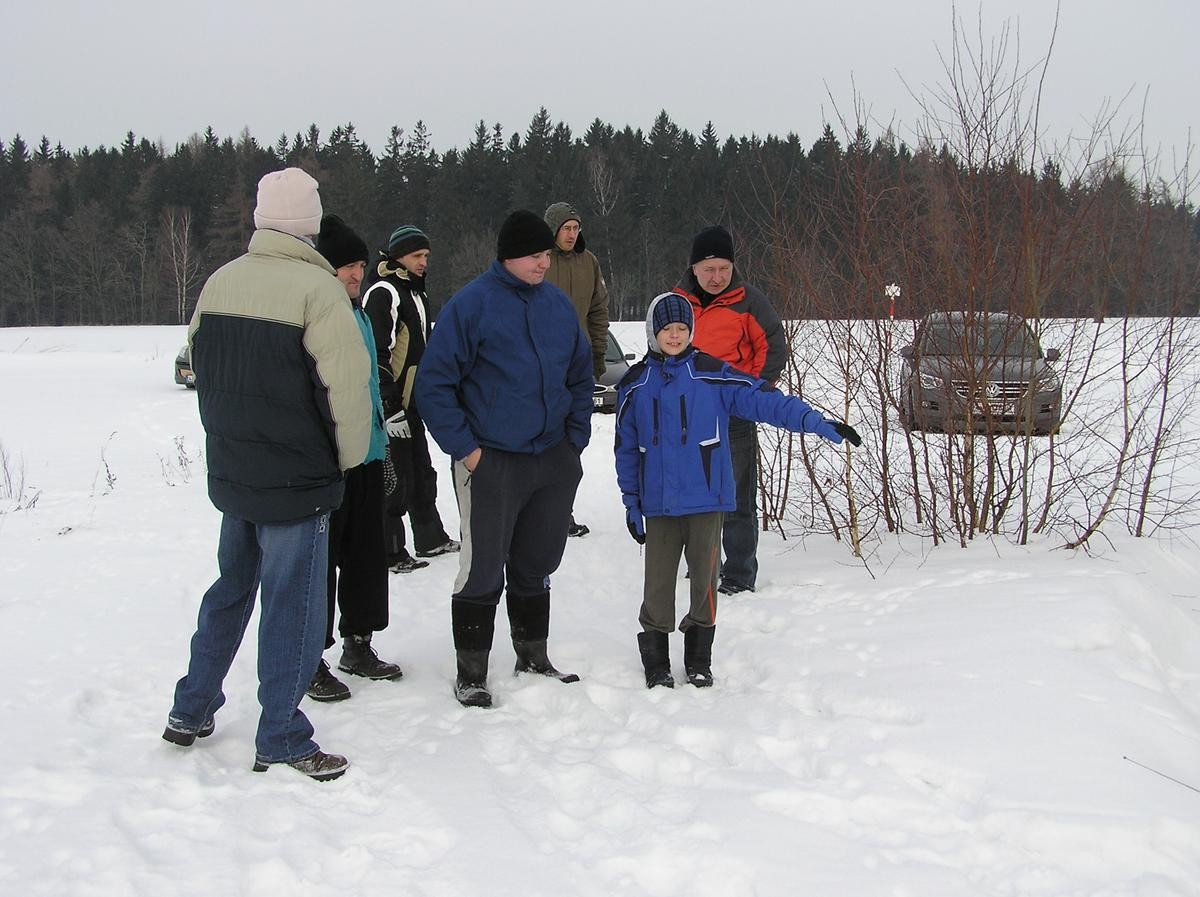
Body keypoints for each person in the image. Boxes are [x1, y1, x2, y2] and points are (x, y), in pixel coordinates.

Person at [162, 168, 372, 781]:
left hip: (237, 475)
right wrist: (346, 464)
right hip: (297, 483)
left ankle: (190, 708)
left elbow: (200, 366)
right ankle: (280, 734)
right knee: (294, 609)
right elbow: (348, 393)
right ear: (310, 224)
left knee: (230, 591)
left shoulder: (220, 281)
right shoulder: (319, 292)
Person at [615, 293, 861, 688]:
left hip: (707, 500)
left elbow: (766, 402)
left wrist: (817, 423)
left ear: (691, 330)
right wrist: (631, 501)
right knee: (657, 586)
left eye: (682, 328)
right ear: (652, 332)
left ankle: (699, 659)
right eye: (667, 329)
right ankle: (656, 662)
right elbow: (626, 449)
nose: (675, 336)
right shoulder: (635, 385)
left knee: (705, 584)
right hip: (658, 504)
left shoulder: (713, 375)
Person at [415, 210, 593, 708]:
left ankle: (533, 656)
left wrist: (573, 442)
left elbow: (581, 375)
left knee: (536, 562)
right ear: (509, 256)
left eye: (546, 254)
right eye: (535, 255)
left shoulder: (557, 307)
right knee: (483, 568)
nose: (544, 263)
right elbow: (434, 385)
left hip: (551, 459)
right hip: (490, 462)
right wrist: (468, 452)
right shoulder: (470, 306)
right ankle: (472, 673)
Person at [306, 214, 404, 703]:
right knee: (321, 562)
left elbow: (368, 386)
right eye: (346, 266)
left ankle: (358, 644)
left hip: (366, 452)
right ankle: (310, 658)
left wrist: (381, 448)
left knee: (367, 555)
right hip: (329, 460)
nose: (355, 274)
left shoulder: (360, 314)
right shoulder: (316, 314)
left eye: (360, 266)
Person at [673, 225, 787, 595]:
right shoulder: (677, 303)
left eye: (724, 268)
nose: (717, 277)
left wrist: (750, 391)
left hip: (734, 415)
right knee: (694, 495)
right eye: (709, 269)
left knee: (737, 498)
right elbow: (662, 351)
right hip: (690, 415)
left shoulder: (749, 301)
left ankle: (738, 574)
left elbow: (773, 347)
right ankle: (701, 564)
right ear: (693, 269)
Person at [362, 224, 459, 573]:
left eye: (426, 256)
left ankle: (430, 537)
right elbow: (375, 355)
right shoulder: (384, 292)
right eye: (417, 255)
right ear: (399, 256)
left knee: (422, 473)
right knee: (395, 481)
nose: (423, 262)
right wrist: (389, 407)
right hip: (392, 408)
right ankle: (389, 552)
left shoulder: (416, 292)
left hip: (414, 405)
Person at [544, 201, 611, 538]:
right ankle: (538, 510)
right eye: (565, 228)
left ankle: (562, 510)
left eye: (575, 228)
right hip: (543, 366)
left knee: (573, 440)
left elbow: (598, 311)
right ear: (552, 230)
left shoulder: (589, 262)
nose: (571, 234)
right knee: (545, 437)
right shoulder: (539, 260)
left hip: (578, 365)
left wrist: (598, 354)